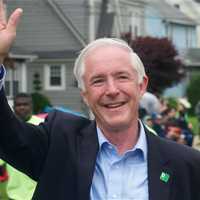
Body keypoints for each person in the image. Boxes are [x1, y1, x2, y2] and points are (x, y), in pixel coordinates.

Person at [0, 2, 200, 199]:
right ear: (84, 94)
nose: (112, 90)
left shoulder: (187, 165)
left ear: (141, 86)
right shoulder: (59, 144)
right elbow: (6, 135)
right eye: (98, 81)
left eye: (122, 77)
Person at [0, 93, 44, 200]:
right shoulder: (7, 131)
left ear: (32, 106)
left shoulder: (42, 126)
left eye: (25, 104)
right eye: (19, 105)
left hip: (38, 193)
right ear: (13, 107)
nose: (22, 107)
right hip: (14, 195)